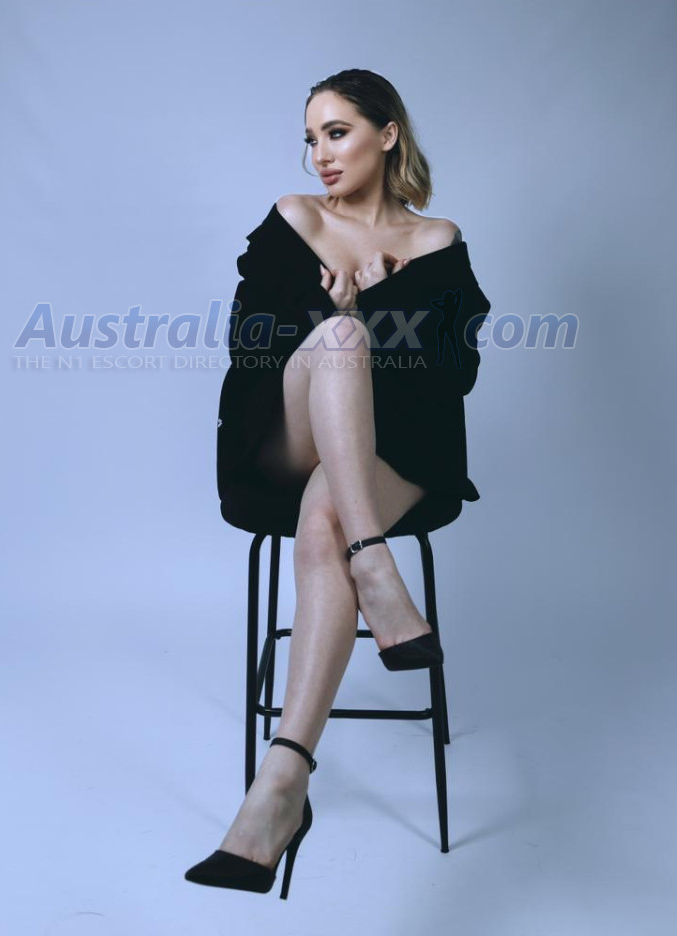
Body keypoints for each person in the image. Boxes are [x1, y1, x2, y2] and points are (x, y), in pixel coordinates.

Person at [185, 68, 491, 898]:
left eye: (337, 132)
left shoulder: (436, 241)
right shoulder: (297, 218)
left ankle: (281, 785)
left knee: (327, 512)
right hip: (282, 434)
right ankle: (377, 570)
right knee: (339, 343)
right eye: (311, 138)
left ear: (387, 135)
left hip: (394, 455)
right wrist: (342, 322)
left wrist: (380, 308)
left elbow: (453, 378)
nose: (319, 154)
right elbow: (249, 347)